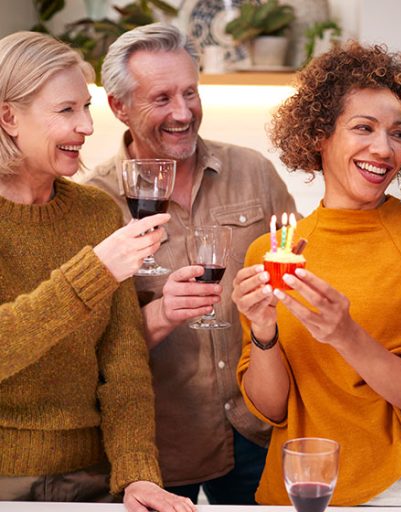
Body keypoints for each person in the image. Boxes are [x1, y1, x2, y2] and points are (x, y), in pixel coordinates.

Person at [231, 41, 401, 511]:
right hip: (298, 492)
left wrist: (346, 335)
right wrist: (263, 334)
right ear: (320, 135)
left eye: (397, 134)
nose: (383, 149)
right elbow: (273, 409)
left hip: (398, 495)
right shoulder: (272, 252)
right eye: (364, 128)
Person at [81, 23, 298, 504]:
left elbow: (297, 264)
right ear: (119, 107)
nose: (182, 113)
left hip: (257, 429)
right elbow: (87, 352)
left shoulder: (252, 171)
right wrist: (161, 313)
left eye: (190, 93)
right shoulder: (94, 203)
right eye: (161, 98)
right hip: (159, 442)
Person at [0, 31, 193, 512]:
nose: (87, 126)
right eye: (66, 110)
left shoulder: (95, 212)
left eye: (86, 108)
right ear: (9, 117)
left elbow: (123, 363)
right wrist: (95, 271)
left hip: (93, 480)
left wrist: (138, 475)